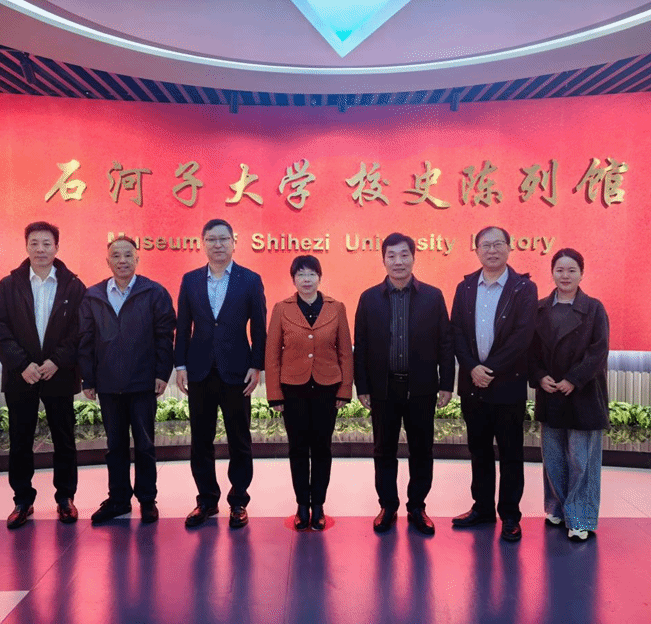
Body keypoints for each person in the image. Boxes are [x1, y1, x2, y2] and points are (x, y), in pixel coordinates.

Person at [354, 232, 454, 535]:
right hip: (383, 389)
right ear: (383, 259)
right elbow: (361, 345)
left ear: (413, 257)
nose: (398, 261)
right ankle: (387, 506)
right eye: (391, 256)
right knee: (383, 450)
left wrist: (446, 383)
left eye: (404, 255)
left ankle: (417, 507)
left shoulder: (433, 296)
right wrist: (363, 387)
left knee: (422, 450)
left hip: (421, 387)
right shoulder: (369, 298)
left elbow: (445, 343)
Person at [0, 221, 85, 529]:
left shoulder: (73, 285)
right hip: (22, 376)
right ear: (26, 246)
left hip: (59, 374)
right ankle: (22, 500)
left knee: (64, 439)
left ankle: (65, 498)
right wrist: (22, 365)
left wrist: (58, 361)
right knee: (20, 440)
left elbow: (81, 331)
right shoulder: (9, 285)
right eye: (34, 243)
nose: (40, 249)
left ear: (56, 247)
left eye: (46, 244)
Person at [175, 219, 267, 529]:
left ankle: (238, 500)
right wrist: (180, 365)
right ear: (203, 243)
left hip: (237, 371)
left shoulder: (250, 280)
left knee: (239, 439)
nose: (218, 244)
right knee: (201, 439)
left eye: (223, 239)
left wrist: (257, 365)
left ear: (233, 242)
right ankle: (206, 500)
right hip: (200, 371)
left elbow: (259, 327)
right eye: (212, 239)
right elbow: (183, 326)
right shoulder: (190, 280)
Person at [79, 236, 176, 524]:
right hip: (108, 383)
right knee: (115, 446)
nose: (122, 261)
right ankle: (118, 499)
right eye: (116, 256)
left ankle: (147, 499)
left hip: (143, 382)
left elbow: (165, 337)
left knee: (145, 445)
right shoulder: (93, 295)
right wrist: (88, 379)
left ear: (137, 259)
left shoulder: (154, 292)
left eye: (128, 255)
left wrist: (162, 373)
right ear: (107, 261)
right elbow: (85, 339)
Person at [450, 226, 537, 542]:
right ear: (476, 250)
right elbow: (456, 332)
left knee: (511, 453)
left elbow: (523, 336)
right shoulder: (465, 287)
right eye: (485, 245)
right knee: (479, 450)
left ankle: (510, 515)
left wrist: (489, 369)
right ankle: (483, 508)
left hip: (507, 385)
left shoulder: (523, 288)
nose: (492, 250)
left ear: (509, 248)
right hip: (473, 385)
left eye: (498, 244)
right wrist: (472, 368)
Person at [265, 255, 353, 531]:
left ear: (319, 277)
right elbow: (272, 354)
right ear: (293, 279)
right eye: (301, 274)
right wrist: (274, 393)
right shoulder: (281, 309)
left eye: (311, 274)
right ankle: (302, 505)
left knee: (323, 448)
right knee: (298, 448)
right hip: (293, 389)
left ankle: (319, 505)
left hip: (327, 387)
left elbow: (345, 352)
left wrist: (345, 390)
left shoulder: (336, 308)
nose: (306, 279)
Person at [529, 248, 609, 542]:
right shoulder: (539, 309)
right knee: (553, 457)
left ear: (581, 274)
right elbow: (530, 350)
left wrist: (574, 379)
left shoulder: (594, 309)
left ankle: (581, 517)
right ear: (552, 272)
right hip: (550, 392)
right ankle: (557, 508)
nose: (565, 276)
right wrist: (539, 376)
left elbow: (599, 351)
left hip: (583, 394)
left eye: (571, 270)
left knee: (581, 460)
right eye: (560, 270)